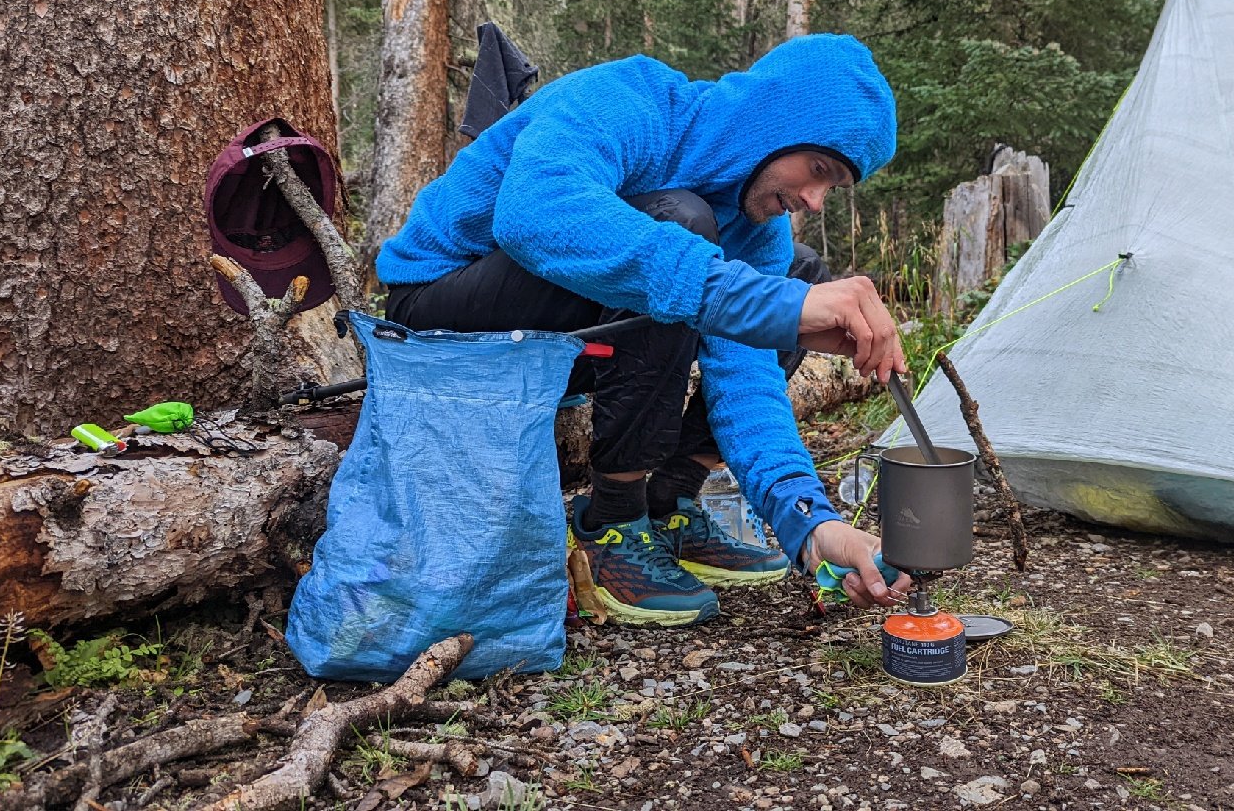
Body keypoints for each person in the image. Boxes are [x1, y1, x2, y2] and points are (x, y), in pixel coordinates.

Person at [375, 33, 914, 627]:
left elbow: (748, 382)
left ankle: (672, 502)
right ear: (771, 119)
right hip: (435, 307)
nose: (815, 199)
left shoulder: (759, 230)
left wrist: (812, 526)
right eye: (818, 169)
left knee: (792, 276)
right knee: (689, 229)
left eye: (833, 185)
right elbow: (532, 212)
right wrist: (760, 301)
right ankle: (611, 515)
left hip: (566, 338)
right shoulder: (631, 100)